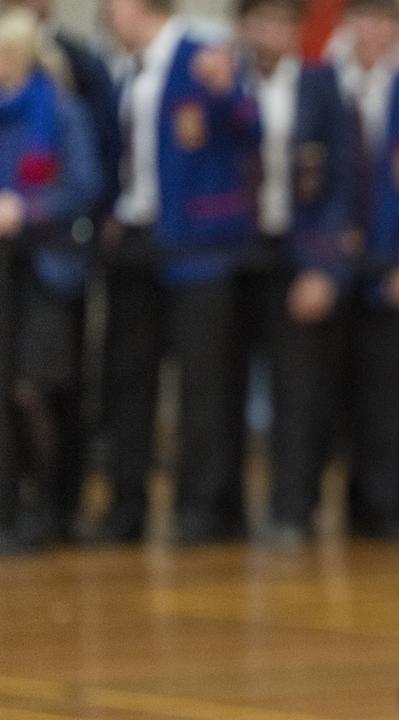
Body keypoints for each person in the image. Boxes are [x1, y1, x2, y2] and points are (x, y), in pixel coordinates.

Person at [95, 0, 261, 545]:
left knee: (203, 383)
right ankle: (126, 508)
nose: (103, 11)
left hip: (199, 246)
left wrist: (227, 91)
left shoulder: (203, 56)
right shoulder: (127, 66)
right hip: (140, 240)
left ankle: (202, 509)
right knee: (129, 379)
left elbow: (249, 129)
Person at [235, 0, 352, 546]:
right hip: (234, 251)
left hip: (297, 252)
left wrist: (325, 266)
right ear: (244, 26)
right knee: (223, 383)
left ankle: (292, 510)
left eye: (284, 21)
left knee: (297, 387)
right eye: (262, 19)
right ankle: (222, 509)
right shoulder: (224, 81)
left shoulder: (319, 84)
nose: (272, 31)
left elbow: (341, 180)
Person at [334, 0, 399, 537]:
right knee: (341, 388)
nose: (374, 31)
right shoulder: (330, 83)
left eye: (385, 21)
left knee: (393, 393)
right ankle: (351, 503)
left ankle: (389, 505)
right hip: (337, 265)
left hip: (393, 263)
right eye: (365, 19)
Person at [0, 5, 100, 553]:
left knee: (32, 388)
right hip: (5, 274)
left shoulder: (60, 110)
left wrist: (27, 208)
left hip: (47, 271)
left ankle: (51, 502)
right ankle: (12, 504)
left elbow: (84, 186)